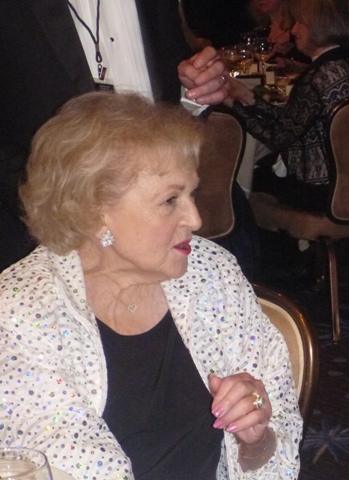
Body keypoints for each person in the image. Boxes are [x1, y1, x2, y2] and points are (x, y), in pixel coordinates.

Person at [0, 92, 302, 480]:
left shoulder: (211, 273)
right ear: (95, 213)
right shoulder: (21, 313)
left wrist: (255, 438)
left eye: (190, 194)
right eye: (169, 200)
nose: (194, 218)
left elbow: (277, 436)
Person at [0, 1, 229, 273]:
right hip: (41, 242)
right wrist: (55, 210)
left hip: (165, 235)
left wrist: (194, 91)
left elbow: (170, 87)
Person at [225, 0, 349, 212]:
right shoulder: (344, 66)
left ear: (321, 27)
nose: (293, 30)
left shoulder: (315, 79)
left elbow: (276, 138)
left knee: (241, 184)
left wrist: (231, 105)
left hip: (319, 192)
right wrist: (249, 98)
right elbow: (293, 120)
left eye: (301, 22)